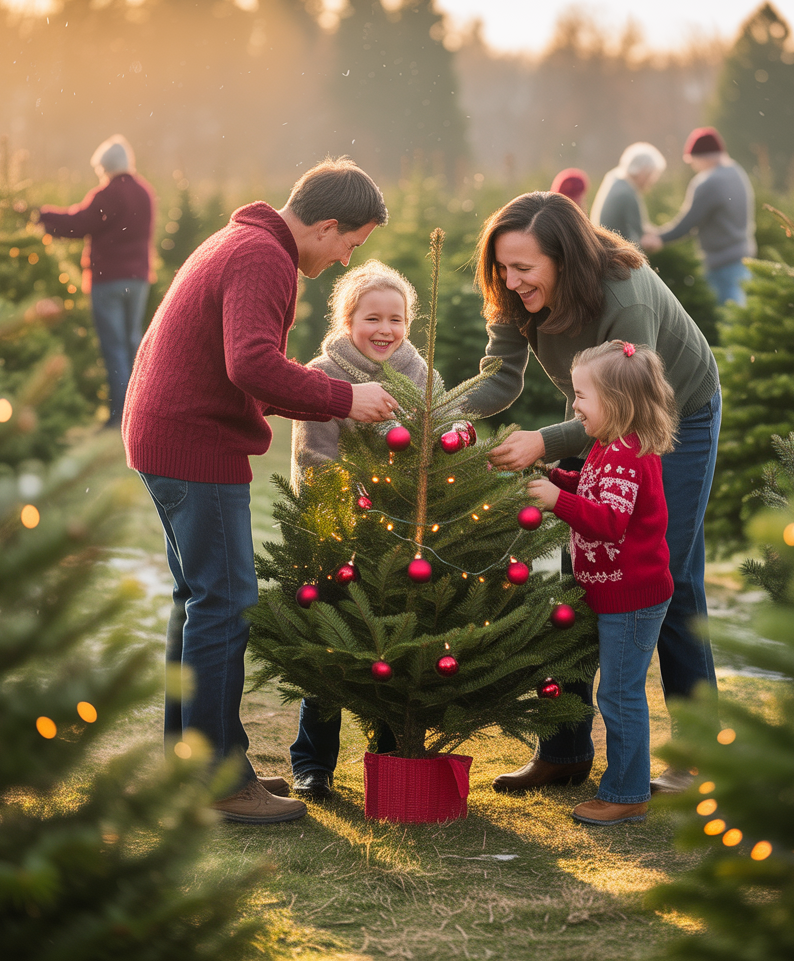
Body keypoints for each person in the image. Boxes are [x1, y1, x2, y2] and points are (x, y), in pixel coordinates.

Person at [122, 157, 397, 825]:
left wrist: (303, 387)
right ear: (327, 224)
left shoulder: (240, 241)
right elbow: (249, 363)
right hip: (195, 447)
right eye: (348, 246)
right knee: (225, 603)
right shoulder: (262, 256)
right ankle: (219, 780)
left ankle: (196, 764)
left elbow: (236, 367)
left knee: (199, 602)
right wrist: (342, 396)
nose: (341, 261)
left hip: (167, 436)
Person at [463, 191, 721, 796]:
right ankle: (565, 749)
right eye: (503, 267)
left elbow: (639, 407)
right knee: (567, 573)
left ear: (566, 260)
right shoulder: (513, 293)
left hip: (670, 414)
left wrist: (543, 443)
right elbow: (500, 374)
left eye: (525, 268)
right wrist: (443, 413)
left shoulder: (622, 295)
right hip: (595, 412)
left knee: (670, 579)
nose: (512, 280)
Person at [288, 260, 434, 800]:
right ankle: (314, 762)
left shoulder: (422, 376)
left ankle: (393, 750)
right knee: (331, 650)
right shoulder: (324, 376)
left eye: (396, 319)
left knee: (397, 645)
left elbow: (437, 449)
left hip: (404, 537)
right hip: (338, 533)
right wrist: (356, 503)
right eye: (372, 317)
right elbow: (315, 461)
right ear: (348, 320)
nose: (385, 330)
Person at [527, 341, 676, 825]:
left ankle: (627, 792)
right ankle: (618, 782)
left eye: (582, 396)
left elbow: (610, 520)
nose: (575, 406)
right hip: (609, 594)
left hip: (632, 599)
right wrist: (557, 480)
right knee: (615, 689)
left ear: (616, 403)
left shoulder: (630, 454)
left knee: (619, 693)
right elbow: (593, 491)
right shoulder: (607, 447)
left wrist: (554, 500)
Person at [38, 135, 156, 429]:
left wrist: (40, 216)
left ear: (105, 167)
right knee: (133, 344)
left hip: (108, 280)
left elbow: (78, 224)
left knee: (114, 347)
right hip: (138, 279)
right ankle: (142, 412)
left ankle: (120, 416)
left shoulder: (108, 195)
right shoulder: (145, 193)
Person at [640, 127, 755, 306]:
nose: (693, 166)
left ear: (703, 156)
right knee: (739, 321)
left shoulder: (708, 182)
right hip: (743, 258)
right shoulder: (737, 172)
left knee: (727, 321)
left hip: (721, 265)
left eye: (692, 160)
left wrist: (658, 238)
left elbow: (688, 223)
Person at [589, 142, 667, 244]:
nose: (652, 181)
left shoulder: (615, 178)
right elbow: (640, 233)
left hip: (604, 246)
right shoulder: (626, 193)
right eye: (651, 175)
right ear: (643, 171)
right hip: (613, 251)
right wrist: (659, 239)